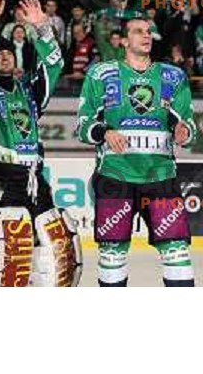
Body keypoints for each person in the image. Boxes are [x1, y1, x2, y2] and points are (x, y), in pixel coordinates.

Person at [0, 0, 82, 287]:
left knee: (56, 253)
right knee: (5, 256)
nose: (3, 55)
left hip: (33, 177)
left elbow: (53, 66)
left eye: (8, 52)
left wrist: (43, 27)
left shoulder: (28, 91)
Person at [77, 16, 197, 287]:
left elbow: (189, 124)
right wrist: (105, 132)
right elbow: (83, 125)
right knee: (112, 253)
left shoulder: (173, 76)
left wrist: (184, 130)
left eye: (149, 32)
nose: (146, 36)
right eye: (138, 31)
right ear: (122, 40)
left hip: (161, 178)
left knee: (177, 251)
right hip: (115, 176)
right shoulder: (100, 74)